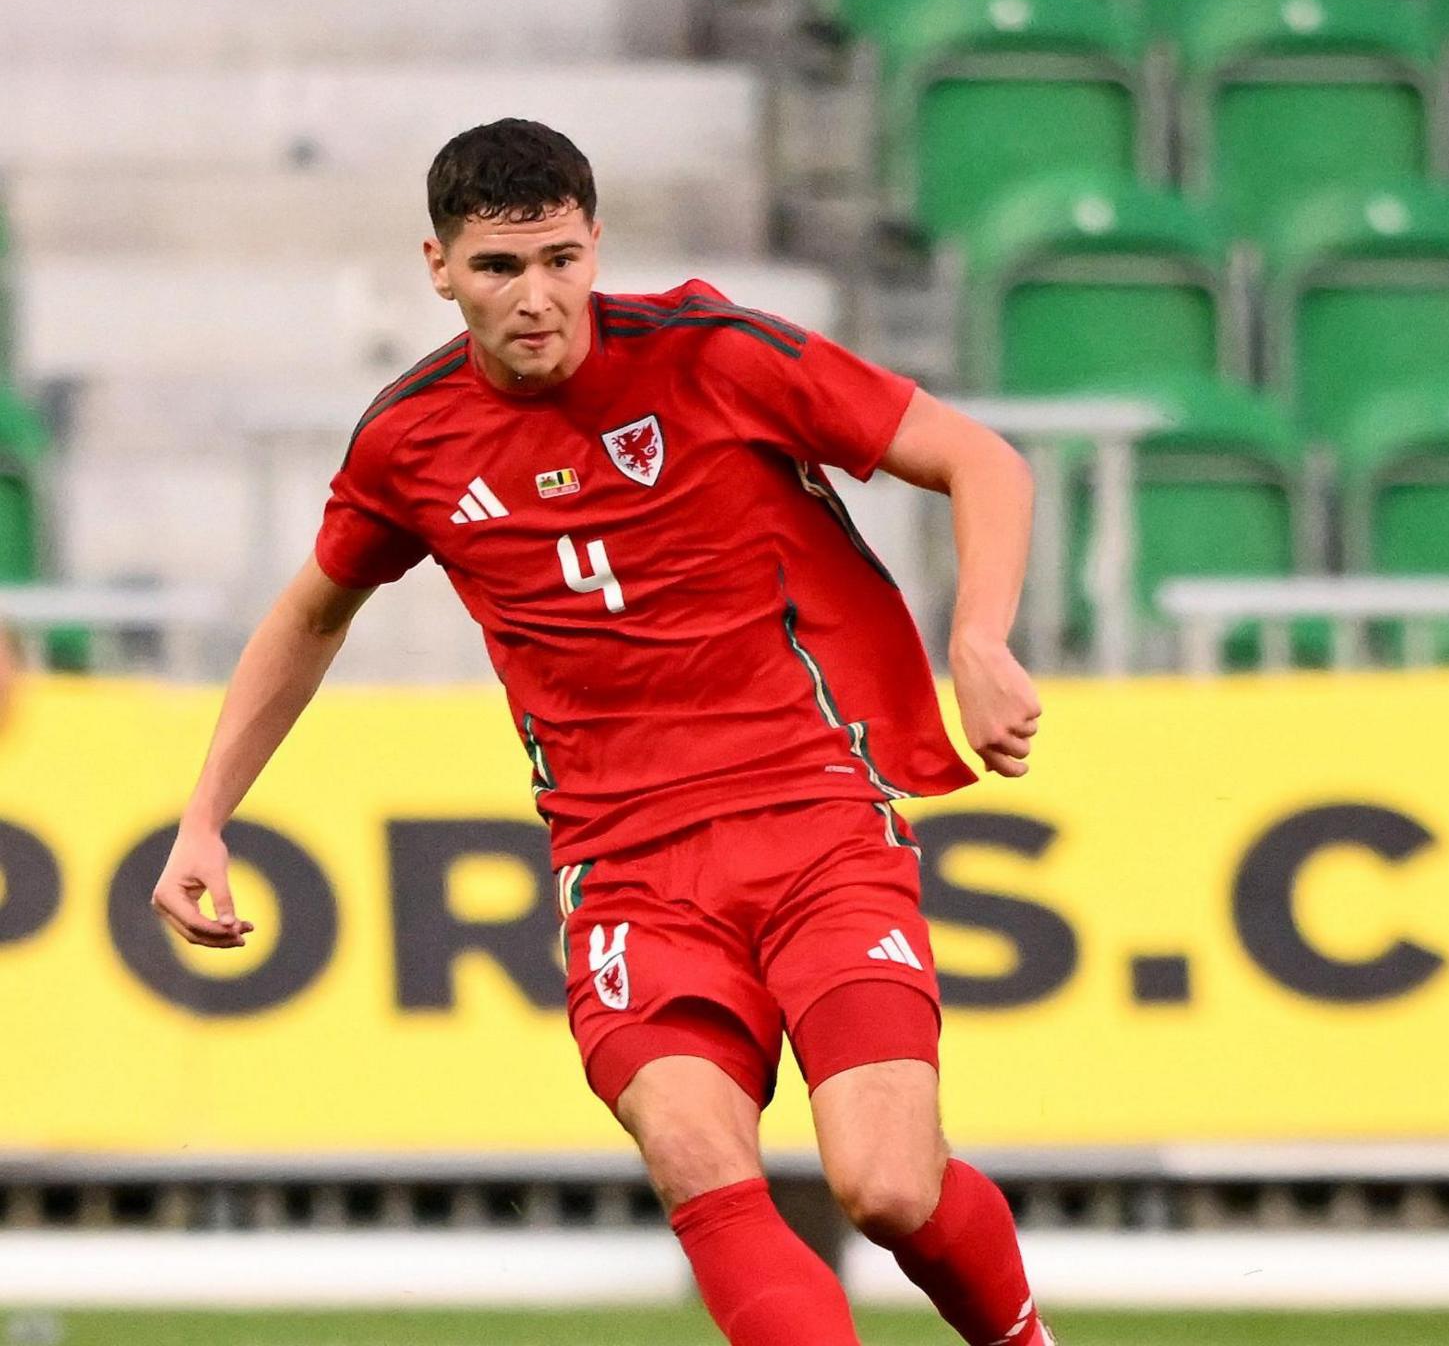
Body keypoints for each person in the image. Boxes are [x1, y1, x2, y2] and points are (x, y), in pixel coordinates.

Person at [150, 119, 1056, 1346]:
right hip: (628, 873)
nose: (537, 298)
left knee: (886, 1187)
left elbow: (978, 458)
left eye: (561, 261)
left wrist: (980, 640)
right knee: (701, 1166)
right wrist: (206, 815)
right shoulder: (408, 440)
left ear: (595, 244)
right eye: (498, 269)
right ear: (437, 266)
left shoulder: (712, 353)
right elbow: (311, 616)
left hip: (815, 827)